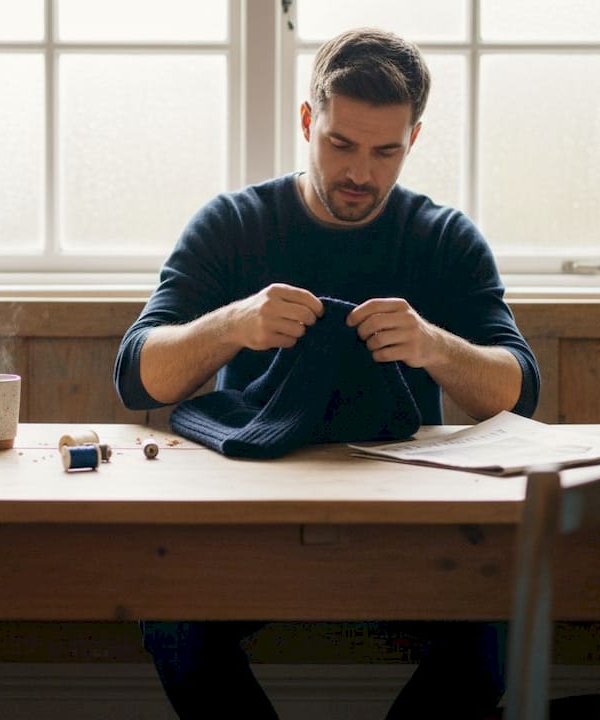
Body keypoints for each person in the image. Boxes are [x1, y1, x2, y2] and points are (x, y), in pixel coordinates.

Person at [114, 27, 539, 719]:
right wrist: (232, 325)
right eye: (341, 144)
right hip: (248, 521)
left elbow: (521, 388)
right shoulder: (233, 225)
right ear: (309, 121)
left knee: (499, 625)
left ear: (414, 140)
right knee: (170, 615)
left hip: (410, 527)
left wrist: (433, 345)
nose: (360, 174)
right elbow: (136, 377)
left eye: (385, 152)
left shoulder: (442, 237)